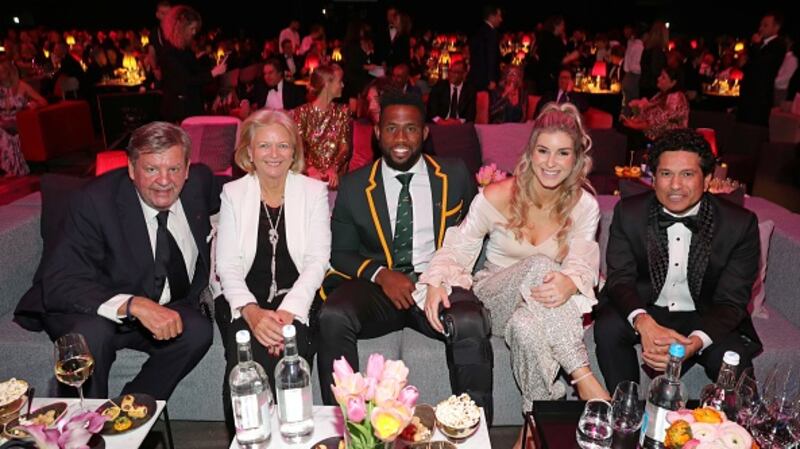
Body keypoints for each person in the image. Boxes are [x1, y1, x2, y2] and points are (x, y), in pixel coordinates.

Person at [421, 103, 608, 442]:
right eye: (543, 151)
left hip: (546, 305)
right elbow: (457, 248)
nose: (551, 163)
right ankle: (584, 378)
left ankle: (534, 429)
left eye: (563, 153)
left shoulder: (585, 207)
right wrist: (437, 281)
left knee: (526, 329)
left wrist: (569, 281)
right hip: (497, 293)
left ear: (576, 158)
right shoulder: (495, 195)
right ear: (530, 152)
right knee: (540, 264)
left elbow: (582, 263)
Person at [317, 91, 494, 423]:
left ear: (425, 133)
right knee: (333, 315)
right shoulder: (355, 186)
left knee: (470, 321)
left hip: (435, 285)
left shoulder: (454, 175)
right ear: (377, 132)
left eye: (411, 129)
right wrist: (381, 274)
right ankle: (347, 426)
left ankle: (474, 429)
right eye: (391, 128)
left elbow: (476, 234)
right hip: (378, 289)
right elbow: (341, 253)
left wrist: (447, 277)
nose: (401, 138)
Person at [15, 122, 221, 400]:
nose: (164, 180)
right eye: (151, 169)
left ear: (186, 169)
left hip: (155, 306)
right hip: (92, 305)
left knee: (197, 330)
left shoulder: (198, 183)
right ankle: (84, 432)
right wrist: (133, 305)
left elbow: (244, 190)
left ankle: (130, 411)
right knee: (92, 336)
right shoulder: (94, 202)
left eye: (173, 169)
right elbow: (60, 281)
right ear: (131, 168)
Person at [595, 128, 762, 391]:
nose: (675, 185)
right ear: (653, 179)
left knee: (735, 361)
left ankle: (734, 427)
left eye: (687, 174)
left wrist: (694, 343)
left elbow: (732, 301)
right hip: (648, 306)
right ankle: (625, 407)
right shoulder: (629, 213)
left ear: (707, 179)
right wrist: (643, 322)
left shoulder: (739, 225)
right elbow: (620, 280)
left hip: (706, 312)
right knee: (607, 329)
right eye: (666, 174)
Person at [215, 109, 330, 437]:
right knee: (244, 374)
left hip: (298, 304)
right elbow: (228, 266)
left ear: (294, 151)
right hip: (244, 303)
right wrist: (251, 313)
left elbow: (316, 261)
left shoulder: (313, 192)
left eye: (283, 146)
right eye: (264, 146)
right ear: (248, 152)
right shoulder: (233, 194)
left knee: (288, 370)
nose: (274, 154)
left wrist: (287, 314)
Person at [158, 4, 227, 122]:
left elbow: (197, 72)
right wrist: (213, 73)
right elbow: (186, 80)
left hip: (191, 105)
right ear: (180, 28)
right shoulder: (169, 53)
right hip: (179, 111)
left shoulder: (185, 49)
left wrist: (213, 68)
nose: (194, 32)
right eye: (192, 29)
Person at [291, 64, 351, 189]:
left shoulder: (343, 112)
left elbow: (345, 148)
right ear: (327, 84)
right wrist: (310, 169)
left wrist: (333, 168)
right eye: (340, 81)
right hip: (307, 177)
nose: (343, 85)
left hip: (334, 178)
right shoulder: (302, 113)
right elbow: (296, 148)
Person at [0, 60, 47, 177]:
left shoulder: (22, 86)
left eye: (2, 72)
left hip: (19, 122)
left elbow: (43, 101)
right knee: (3, 133)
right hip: (3, 124)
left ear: (10, 72)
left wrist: (33, 105)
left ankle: (15, 170)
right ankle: (8, 171)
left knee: (10, 133)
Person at [738, 12, 786, 125]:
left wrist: (755, 46)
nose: (760, 28)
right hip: (748, 94)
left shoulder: (778, 45)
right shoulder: (760, 44)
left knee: (755, 130)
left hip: (760, 97)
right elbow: (747, 66)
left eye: (765, 25)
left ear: (776, 27)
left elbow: (762, 67)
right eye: (761, 25)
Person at [622, 67, 689, 144]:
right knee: (622, 130)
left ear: (673, 83)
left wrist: (636, 125)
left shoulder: (677, 97)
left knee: (626, 134)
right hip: (652, 135)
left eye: (663, 77)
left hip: (668, 139)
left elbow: (660, 119)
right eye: (660, 75)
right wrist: (635, 119)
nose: (658, 78)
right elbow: (647, 112)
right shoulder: (660, 95)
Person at [468, 5, 502, 92]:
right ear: (491, 17)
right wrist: (492, 79)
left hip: (475, 77)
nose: (501, 19)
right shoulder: (491, 33)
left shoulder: (478, 30)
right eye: (499, 16)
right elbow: (491, 56)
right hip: (486, 80)